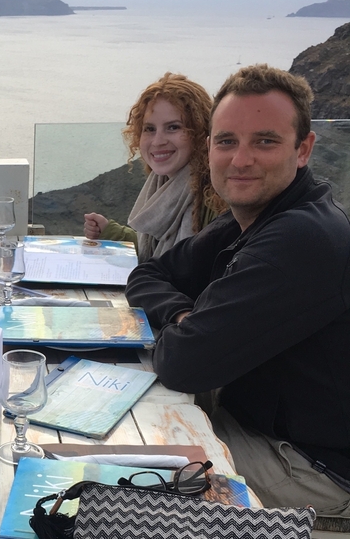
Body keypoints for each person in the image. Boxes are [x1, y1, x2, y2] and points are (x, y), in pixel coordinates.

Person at [127, 64, 350, 519]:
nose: (241, 159)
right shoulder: (250, 217)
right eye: (227, 141)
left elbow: (183, 364)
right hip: (252, 423)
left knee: (127, 473)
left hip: (309, 467)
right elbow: (147, 274)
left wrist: (186, 330)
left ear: (303, 149)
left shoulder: (301, 237)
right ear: (209, 147)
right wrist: (185, 317)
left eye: (265, 141)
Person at [84, 73, 224, 261]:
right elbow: (159, 250)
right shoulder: (163, 184)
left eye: (173, 127)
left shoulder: (216, 199)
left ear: (200, 131)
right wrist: (111, 233)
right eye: (149, 129)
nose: (158, 141)